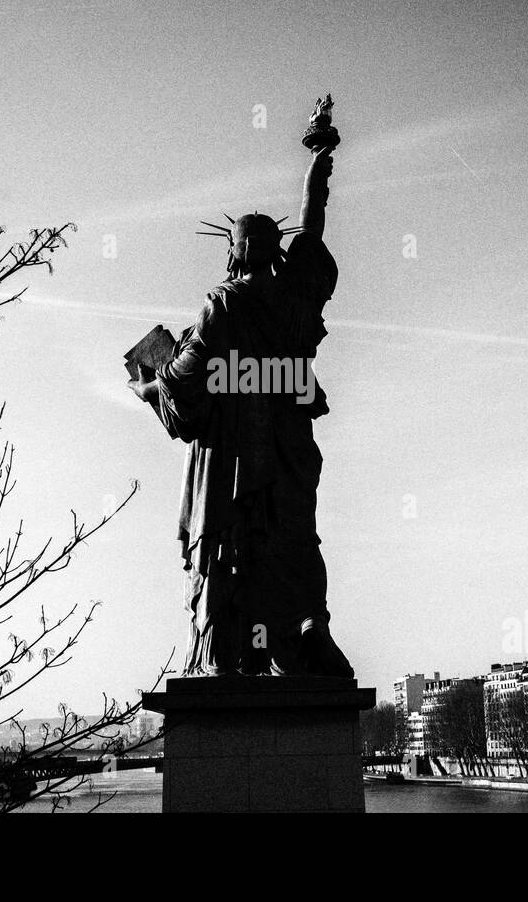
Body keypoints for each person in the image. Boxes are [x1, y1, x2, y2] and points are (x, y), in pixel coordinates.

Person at [129, 146, 353, 678]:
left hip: (234, 458)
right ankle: (304, 637)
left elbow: (183, 380)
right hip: (290, 452)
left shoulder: (223, 306)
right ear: (276, 250)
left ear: (233, 251)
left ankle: (229, 656)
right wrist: (317, 167)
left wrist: (145, 387)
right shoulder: (296, 294)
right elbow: (313, 227)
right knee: (295, 541)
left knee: (233, 547)